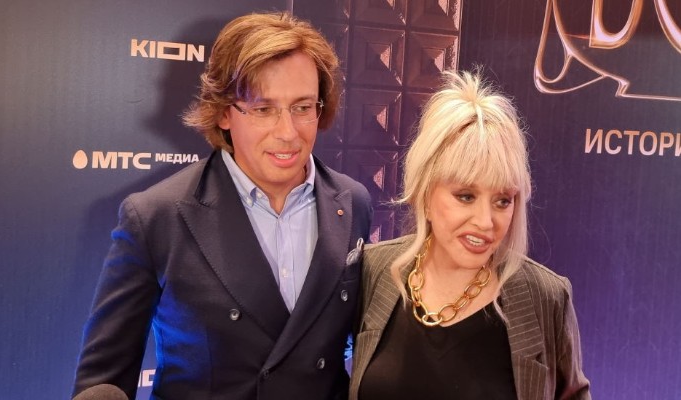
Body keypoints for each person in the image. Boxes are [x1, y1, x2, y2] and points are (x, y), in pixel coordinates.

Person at [73, 11, 372, 400]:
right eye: (263, 109)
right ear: (225, 112)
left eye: (302, 107)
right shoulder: (156, 216)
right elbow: (103, 380)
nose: (288, 132)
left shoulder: (353, 202)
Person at [349, 70, 590, 399]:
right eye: (466, 196)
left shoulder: (546, 298)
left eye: (502, 201)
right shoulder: (372, 271)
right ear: (425, 193)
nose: (486, 222)